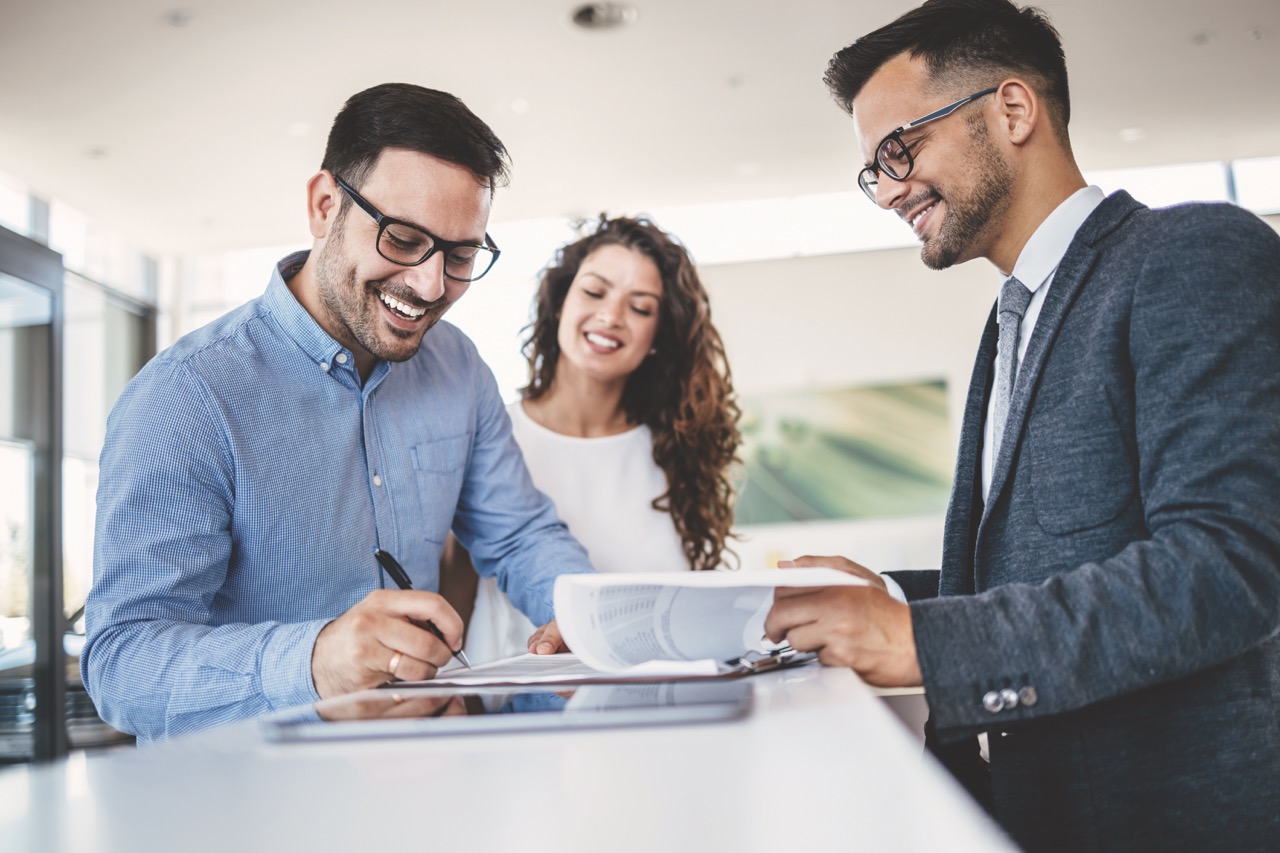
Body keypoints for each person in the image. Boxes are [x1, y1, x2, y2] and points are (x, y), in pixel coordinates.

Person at [763, 1, 1280, 849]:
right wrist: (882, 598)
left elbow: (1229, 566)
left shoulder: (1192, 254)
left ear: (1011, 111)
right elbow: (1047, 561)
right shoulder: (1009, 322)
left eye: (901, 149)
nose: (889, 190)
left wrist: (924, 641)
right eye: (874, 170)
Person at [81, 83, 595, 742]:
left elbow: (519, 533)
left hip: (426, 777)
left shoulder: (459, 367)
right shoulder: (185, 397)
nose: (431, 286)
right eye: (404, 238)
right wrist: (318, 663)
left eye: (461, 255)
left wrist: (586, 613)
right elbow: (123, 663)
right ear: (325, 206)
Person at [453, 214, 742, 664]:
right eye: (594, 291)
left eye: (640, 307)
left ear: (657, 336)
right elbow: (453, 617)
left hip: (665, 711)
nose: (611, 316)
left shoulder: (676, 452)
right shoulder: (488, 439)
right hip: (522, 722)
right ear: (560, 301)